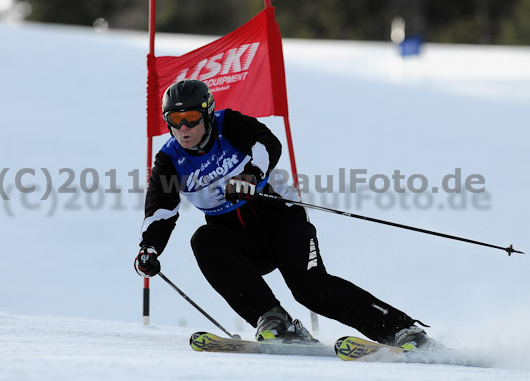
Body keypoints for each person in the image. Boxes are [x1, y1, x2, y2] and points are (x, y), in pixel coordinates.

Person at [135, 79, 434, 347]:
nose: (183, 128)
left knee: (310, 290)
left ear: (208, 113)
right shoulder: (170, 160)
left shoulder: (230, 125)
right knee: (204, 240)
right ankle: (275, 320)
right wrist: (149, 248)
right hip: (239, 240)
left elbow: (266, 143)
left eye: (190, 118)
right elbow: (160, 207)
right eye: (175, 120)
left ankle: (401, 330)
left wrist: (251, 176)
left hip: (281, 220)